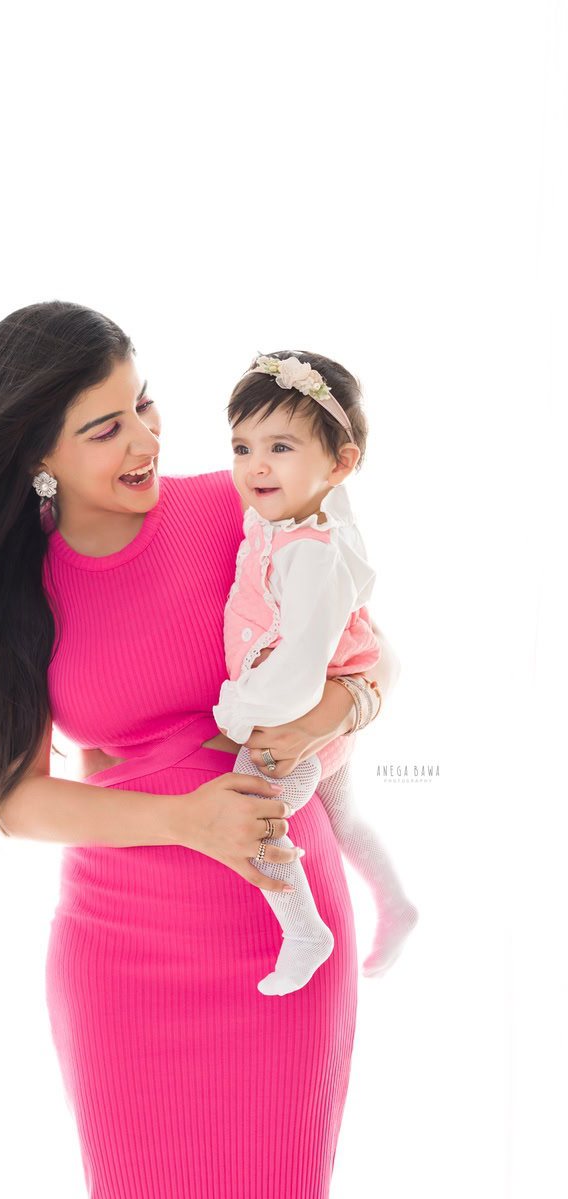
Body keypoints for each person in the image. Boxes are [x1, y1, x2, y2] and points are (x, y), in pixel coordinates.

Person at [0, 301, 401, 1199]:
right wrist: (184, 820)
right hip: (119, 956)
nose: (145, 440)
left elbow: (375, 647)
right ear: (37, 455)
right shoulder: (20, 589)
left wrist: (338, 708)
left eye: (145, 405)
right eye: (104, 428)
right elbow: (18, 798)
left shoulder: (232, 507)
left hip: (276, 937)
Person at [211, 352, 418, 996]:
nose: (255, 466)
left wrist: (236, 712)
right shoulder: (293, 510)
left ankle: (303, 930)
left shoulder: (313, 554)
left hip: (293, 718)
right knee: (345, 820)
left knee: (255, 814)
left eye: (279, 446)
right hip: (330, 712)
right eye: (242, 447)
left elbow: (300, 670)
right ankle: (400, 906)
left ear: (340, 465)